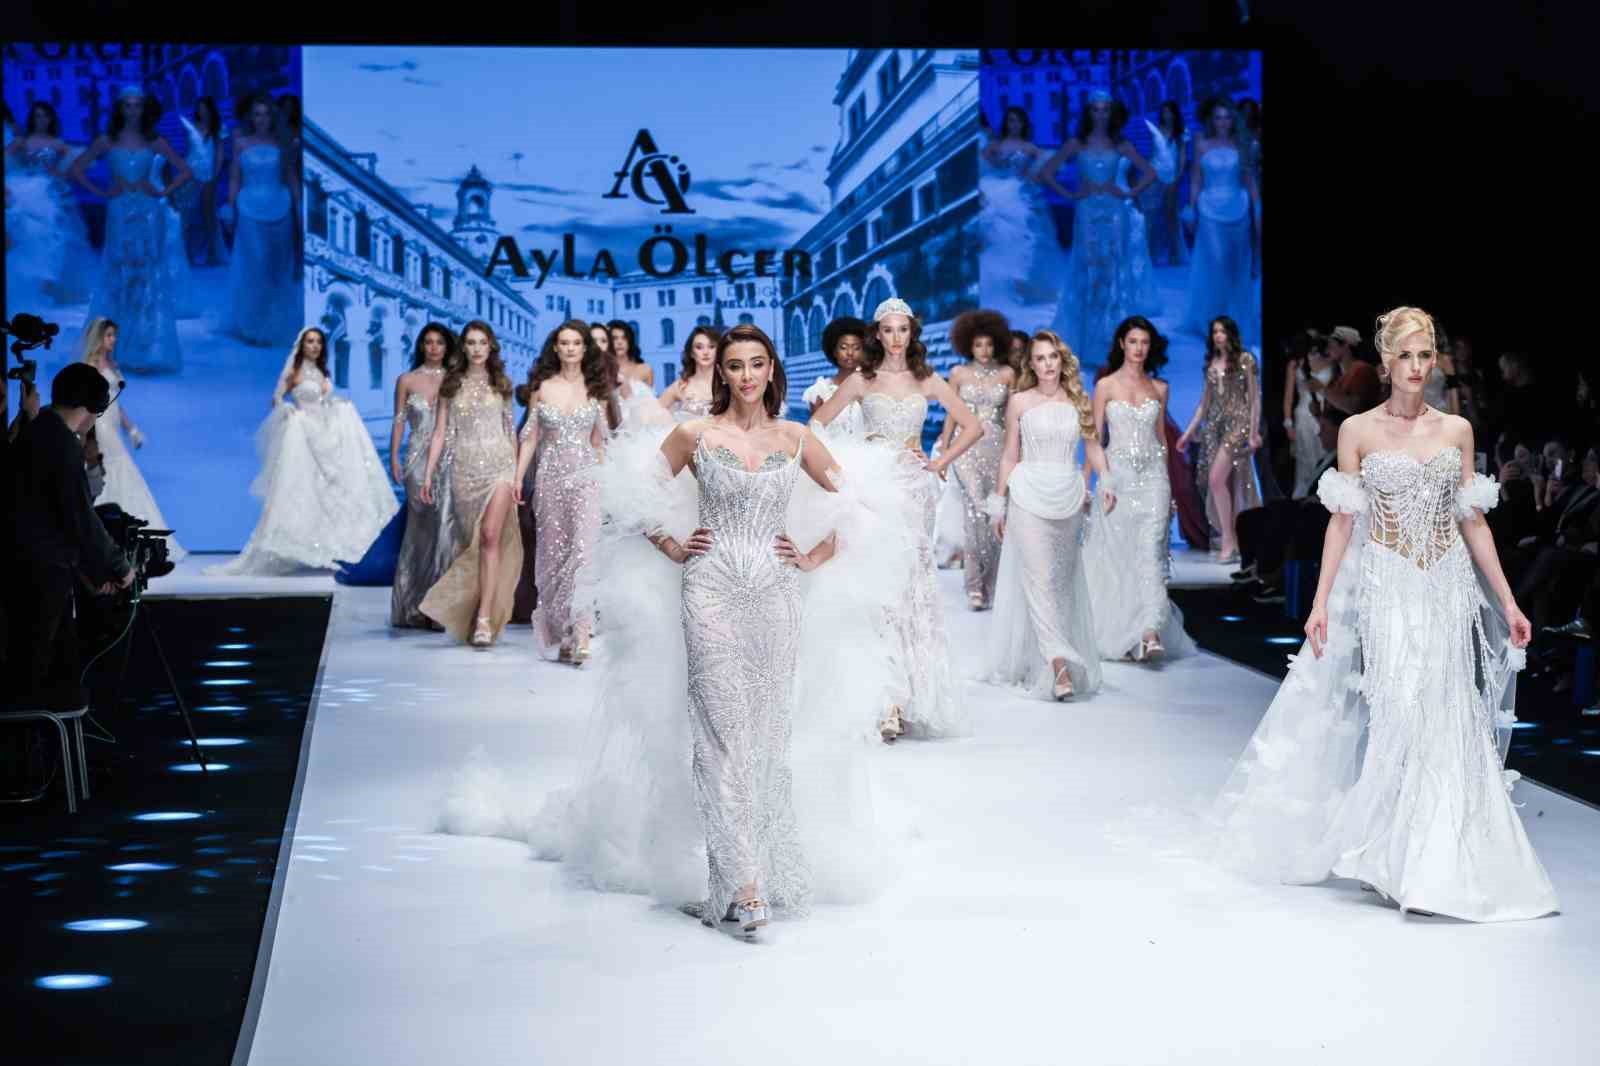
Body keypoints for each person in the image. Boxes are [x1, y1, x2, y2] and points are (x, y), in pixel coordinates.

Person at [486, 323, 917, 940]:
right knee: (719, 734)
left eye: (757, 363)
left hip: (776, 594)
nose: (746, 375)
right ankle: (742, 884)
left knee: (767, 735)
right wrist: (668, 543)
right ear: (723, 373)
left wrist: (815, 555)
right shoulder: (694, 434)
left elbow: (864, 503)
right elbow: (628, 495)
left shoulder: (796, 437)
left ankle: (751, 875)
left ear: (772, 370)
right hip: (709, 590)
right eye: (735, 365)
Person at [1214, 306, 1558, 923]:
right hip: (1389, 585)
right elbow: (1342, 523)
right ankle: (1396, 853)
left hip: (1446, 585)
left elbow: (1473, 522)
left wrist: (1508, 600)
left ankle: (1436, 861)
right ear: (1386, 361)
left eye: (1425, 356)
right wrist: (1320, 601)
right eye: (1406, 356)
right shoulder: (1358, 431)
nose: (1417, 367)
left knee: (1446, 710)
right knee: (1400, 709)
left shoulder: (1456, 430)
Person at [810, 297, 986, 742]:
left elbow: (974, 426)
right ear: (877, 334)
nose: (895, 338)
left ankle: (909, 694)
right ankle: (885, 699)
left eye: (902, 329)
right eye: (887, 330)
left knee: (911, 587)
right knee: (878, 585)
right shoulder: (861, 379)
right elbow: (816, 426)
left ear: (912, 333)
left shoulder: (927, 379)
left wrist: (939, 461)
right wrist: (850, 464)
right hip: (874, 488)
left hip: (912, 490)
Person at [207, 327, 397, 575]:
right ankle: (299, 545)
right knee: (304, 488)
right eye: (310, 341)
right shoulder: (294, 372)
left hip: (326, 431)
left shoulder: (322, 371)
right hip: (305, 432)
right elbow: (276, 398)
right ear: (302, 345)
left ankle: (335, 546)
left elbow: (323, 401)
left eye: (318, 342)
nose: (315, 346)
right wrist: (287, 409)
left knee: (334, 488)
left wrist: (337, 405)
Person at [984, 331, 1109, 699]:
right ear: (1032, 364)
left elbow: (1093, 447)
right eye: (1040, 358)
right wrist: (998, 503)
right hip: (1027, 493)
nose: (1048, 363)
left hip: (1067, 496)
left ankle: (1051, 656)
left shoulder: (1078, 399)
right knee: (1038, 579)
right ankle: (1059, 666)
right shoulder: (1019, 401)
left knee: (1059, 582)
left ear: (1062, 359)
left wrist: (1108, 479)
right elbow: (1010, 455)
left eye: (1053, 356)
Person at [7, 363, 134, 706]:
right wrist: (120, 567)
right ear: (93, 406)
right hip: (41, 575)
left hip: (33, 569)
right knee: (34, 673)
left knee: (46, 670)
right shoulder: (61, 443)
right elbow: (80, 518)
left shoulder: (40, 430)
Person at [1083, 317, 1197, 660]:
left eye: (1144, 342)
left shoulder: (1159, 388)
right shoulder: (1105, 386)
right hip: (1117, 480)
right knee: (1119, 556)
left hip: (1154, 480)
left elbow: (1161, 441)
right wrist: (1090, 482)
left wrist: (1170, 488)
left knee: (1150, 551)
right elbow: (1093, 438)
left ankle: (1150, 629)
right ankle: (1124, 630)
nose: (1138, 348)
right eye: (1133, 341)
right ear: (1122, 344)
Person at [69, 84, 191, 374]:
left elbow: (186, 171)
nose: (133, 110)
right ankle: (114, 349)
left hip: (148, 212)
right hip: (119, 211)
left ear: (144, 108)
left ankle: (143, 348)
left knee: (147, 275)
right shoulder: (107, 140)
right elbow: (76, 169)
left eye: (138, 105)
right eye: (128, 104)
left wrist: (162, 191)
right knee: (118, 272)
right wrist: (101, 192)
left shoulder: (154, 140)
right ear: (120, 108)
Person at [419, 321, 523, 647]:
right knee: (472, 545)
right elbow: (439, 432)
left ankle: (484, 620)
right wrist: (428, 473)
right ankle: (475, 610)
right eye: (471, 343)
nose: (477, 349)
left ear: (491, 346)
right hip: (463, 471)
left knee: (490, 536)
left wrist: (517, 476)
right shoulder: (451, 384)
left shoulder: (502, 383)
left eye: (482, 342)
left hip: (500, 468)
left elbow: (510, 431)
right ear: (463, 347)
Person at [1039, 89, 1159, 366]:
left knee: (1113, 271)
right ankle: (1089, 343)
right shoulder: (1076, 143)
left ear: (1111, 112)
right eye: (1096, 109)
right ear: (1088, 112)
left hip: (1115, 213)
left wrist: (1128, 193)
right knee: (1089, 271)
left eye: (1106, 109)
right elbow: (1046, 172)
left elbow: (1150, 173)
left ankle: (1111, 342)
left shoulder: (1121, 144)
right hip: (1087, 211)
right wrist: (1070, 194)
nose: (1101, 114)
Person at [512, 321, 608, 663]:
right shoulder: (542, 388)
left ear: (584, 348)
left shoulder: (596, 389)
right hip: (550, 481)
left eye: (576, 343)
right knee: (553, 557)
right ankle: (563, 633)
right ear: (556, 348)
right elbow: (530, 439)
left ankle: (582, 633)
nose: (570, 348)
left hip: (587, 479)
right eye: (564, 343)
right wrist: (518, 478)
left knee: (584, 553)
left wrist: (608, 481)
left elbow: (599, 443)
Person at [78, 317, 185, 560]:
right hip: (100, 426)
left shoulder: (110, 363)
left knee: (117, 470)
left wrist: (132, 429)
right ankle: (111, 534)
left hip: (112, 424)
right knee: (114, 469)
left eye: (114, 335)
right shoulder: (91, 365)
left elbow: (116, 403)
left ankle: (122, 535)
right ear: (98, 337)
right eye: (109, 335)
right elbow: (88, 402)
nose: (113, 340)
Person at [939, 309, 1015, 609]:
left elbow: (1012, 417)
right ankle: (974, 586)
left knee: (995, 514)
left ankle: (992, 584)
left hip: (997, 448)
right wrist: (945, 451)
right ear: (968, 345)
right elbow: (950, 413)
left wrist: (1017, 451)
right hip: (966, 449)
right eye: (978, 344)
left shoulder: (1008, 374)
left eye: (989, 344)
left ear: (997, 344)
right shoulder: (958, 374)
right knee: (974, 512)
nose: (984, 350)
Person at [1177, 315, 1263, 563]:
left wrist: (1254, 432)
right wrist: (1187, 434)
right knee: (1227, 483)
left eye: (1222, 331)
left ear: (1231, 334)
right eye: (1215, 331)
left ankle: (1228, 539)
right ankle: (1234, 539)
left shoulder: (1245, 360)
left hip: (1238, 425)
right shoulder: (1211, 365)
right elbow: (1203, 405)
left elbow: (1254, 399)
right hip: (1215, 427)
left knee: (1216, 479)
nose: (1218, 336)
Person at [389, 323, 456, 628]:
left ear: (446, 346)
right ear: (420, 346)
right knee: (420, 531)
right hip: (417, 459)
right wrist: (394, 457)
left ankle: (439, 609)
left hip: (450, 457)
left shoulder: (455, 379)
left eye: (439, 342)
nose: (434, 347)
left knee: (445, 529)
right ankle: (413, 605)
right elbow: (399, 421)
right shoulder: (406, 380)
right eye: (428, 342)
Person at [220, 91, 300, 347]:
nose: (261, 119)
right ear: (251, 117)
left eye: (266, 114)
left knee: (277, 266)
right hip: (248, 208)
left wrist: (299, 206)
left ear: (272, 117)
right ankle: (252, 323)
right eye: (257, 114)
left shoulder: (282, 142)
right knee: (254, 265)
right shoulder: (241, 142)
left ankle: (274, 323)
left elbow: (291, 177)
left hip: (280, 206)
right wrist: (230, 206)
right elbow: (235, 177)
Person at [1182, 97, 1261, 347]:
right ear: (1211, 120)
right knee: (1217, 263)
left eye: (1227, 117)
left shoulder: (1242, 144)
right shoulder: (1201, 144)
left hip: (1238, 207)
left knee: (1238, 265)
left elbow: (1249, 179)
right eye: (1218, 117)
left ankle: (1236, 322)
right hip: (1209, 209)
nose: (1223, 122)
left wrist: (1257, 206)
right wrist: (1191, 207)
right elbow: (1196, 178)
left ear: (1233, 120)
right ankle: (1215, 323)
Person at [980, 105, 1066, 308]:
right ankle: (1006, 285)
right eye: (1011, 120)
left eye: (1018, 121)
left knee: (1026, 237)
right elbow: (983, 162)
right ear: (1006, 123)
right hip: (998, 190)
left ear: (1024, 124)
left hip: (1019, 192)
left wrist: (1030, 175)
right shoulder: (995, 145)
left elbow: (1049, 164)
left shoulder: (1029, 148)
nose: (1014, 125)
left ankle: (1024, 285)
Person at [1283, 329, 1337, 496]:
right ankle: (1303, 499)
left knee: (1325, 459)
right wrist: (1288, 423)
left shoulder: (1331, 361)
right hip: (1304, 416)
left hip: (1324, 416)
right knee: (1305, 462)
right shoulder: (1295, 364)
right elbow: (1288, 396)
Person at [802, 316, 869, 438]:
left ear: (864, 351)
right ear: (834, 351)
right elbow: (814, 434)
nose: (850, 353)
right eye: (843, 347)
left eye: (856, 348)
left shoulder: (872, 385)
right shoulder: (820, 391)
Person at [656, 325, 718, 421]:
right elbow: (653, 414)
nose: (706, 352)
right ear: (692, 353)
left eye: (711, 347)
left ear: (718, 351)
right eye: (699, 347)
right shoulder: (681, 385)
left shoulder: (727, 384)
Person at [1321, 325, 1380, 417]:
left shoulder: (1362, 370)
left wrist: (1321, 389)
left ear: (1345, 345)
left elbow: (1355, 407)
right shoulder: (1337, 375)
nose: (1327, 350)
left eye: (1331, 345)